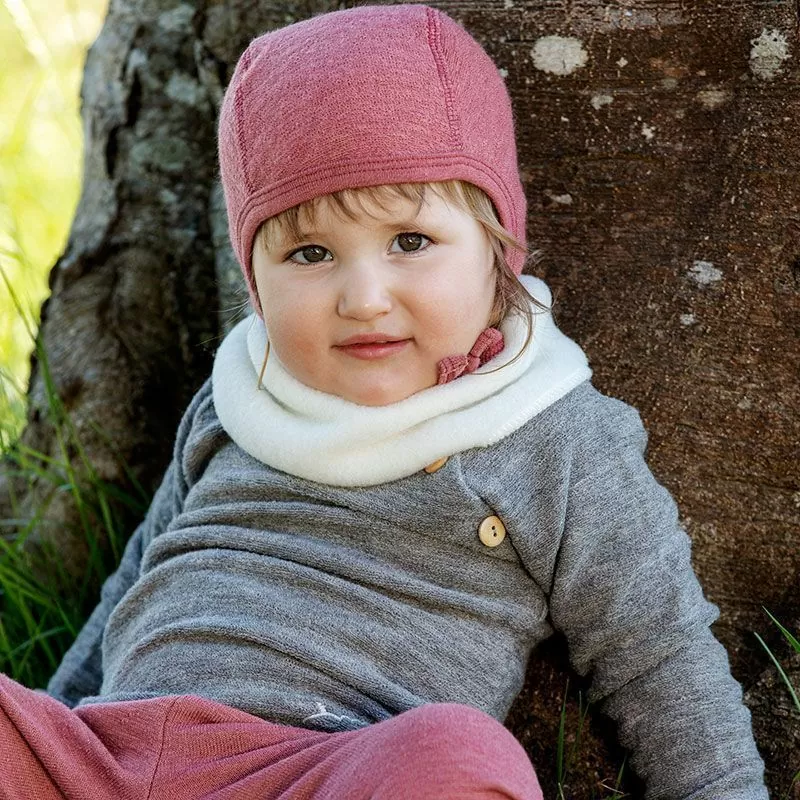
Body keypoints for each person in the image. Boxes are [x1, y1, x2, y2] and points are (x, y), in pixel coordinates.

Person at [1, 4, 768, 799]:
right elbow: (135, 581)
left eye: (410, 241)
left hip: (321, 771)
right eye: (310, 253)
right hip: (107, 756)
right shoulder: (238, 396)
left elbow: (659, 654)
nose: (364, 298)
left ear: (498, 251)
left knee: (460, 754)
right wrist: (52, 733)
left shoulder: (549, 432)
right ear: (255, 282)